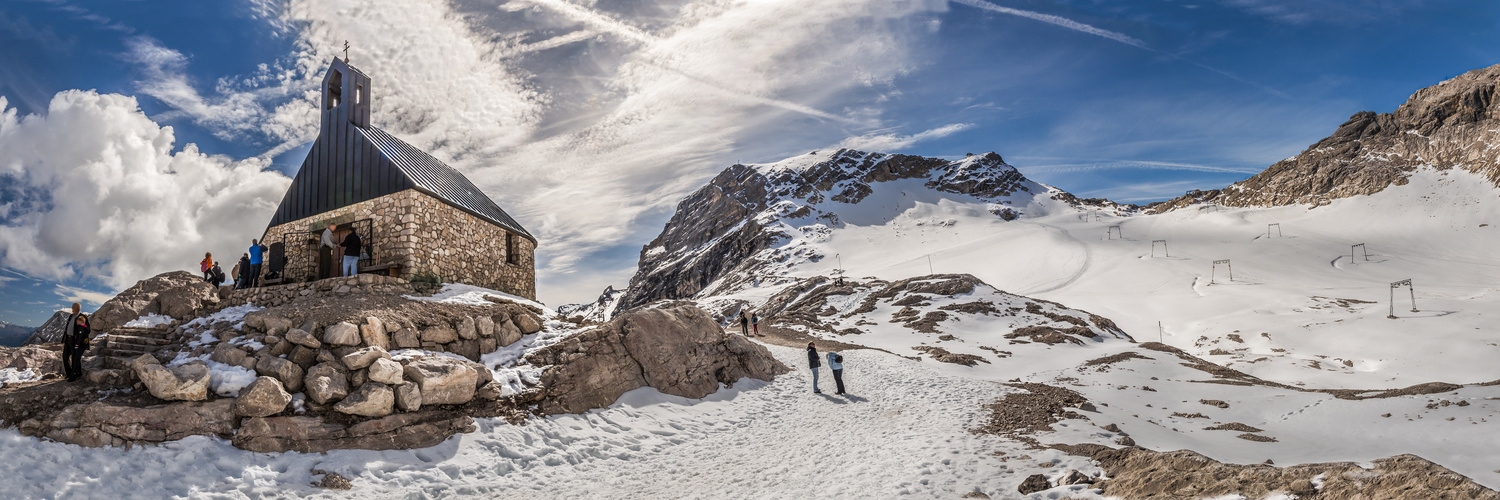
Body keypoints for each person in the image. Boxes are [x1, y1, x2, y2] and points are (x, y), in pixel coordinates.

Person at [62, 302, 90, 382]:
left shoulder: (83, 317)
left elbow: (88, 329)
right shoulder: (71, 316)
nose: (71, 309)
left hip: (75, 340)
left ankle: (75, 374)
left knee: (75, 358)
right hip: (68, 339)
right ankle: (69, 373)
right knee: (65, 356)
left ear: (76, 309)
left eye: (73, 308)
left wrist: (82, 327)